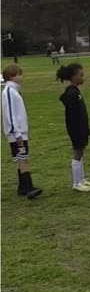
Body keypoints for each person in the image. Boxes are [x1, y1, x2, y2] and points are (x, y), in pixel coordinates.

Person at [2, 65, 43, 199]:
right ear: (11, 76)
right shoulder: (9, 91)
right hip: (16, 132)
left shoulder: (14, 91)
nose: (21, 77)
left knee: (22, 158)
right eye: (19, 75)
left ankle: (22, 187)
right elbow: (10, 113)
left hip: (20, 131)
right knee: (23, 159)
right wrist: (17, 132)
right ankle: (28, 187)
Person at [57, 63, 90, 192]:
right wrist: (78, 130)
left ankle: (82, 179)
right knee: (77, 153)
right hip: (76, 130)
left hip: (81, 128)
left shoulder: (76, 91)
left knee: (81, 152)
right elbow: (72, 116)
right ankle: (76, 183)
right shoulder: (72, 94)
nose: (83, 78)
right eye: (81, 75)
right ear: (73, 77)